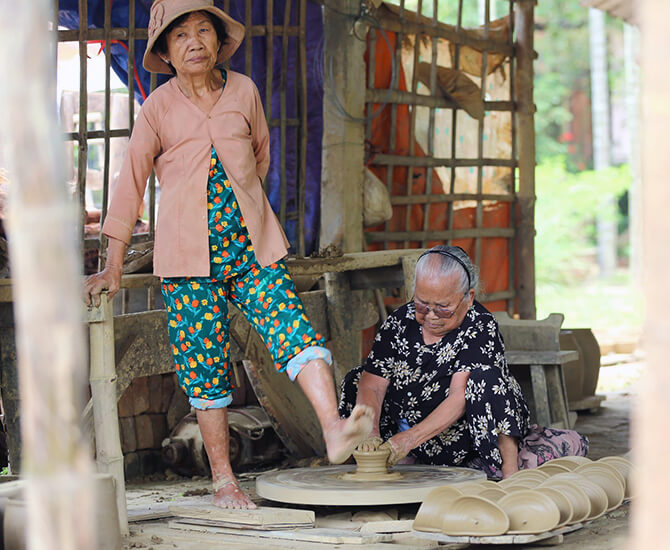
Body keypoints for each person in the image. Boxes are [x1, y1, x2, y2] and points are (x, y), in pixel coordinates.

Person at [82, 0, 373, 509]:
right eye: (180, 36)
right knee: (204, 366)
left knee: (295, 333)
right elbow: (129, 187)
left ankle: (333, 428)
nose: (193, 41)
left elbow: (260, 155)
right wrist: (111, 264)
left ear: (220, 42)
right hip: (186, 263)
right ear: (167, 53)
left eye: (202, 31)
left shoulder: (243, 91)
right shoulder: (158, 108)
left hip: (252, 253)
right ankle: (224, 481)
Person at [339, 245, 588, 479]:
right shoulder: (399, 323)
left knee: (486, 379)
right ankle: (363, 469)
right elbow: (372, 384)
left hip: (465, 441)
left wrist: (407, 440)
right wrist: (370, 435)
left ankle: (509, 472)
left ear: (467, 298)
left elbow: (459, 397)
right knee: (356, 379)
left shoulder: (480, 326)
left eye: (443, 307)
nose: (431, 316)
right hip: (411, 440)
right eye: (422, 304)